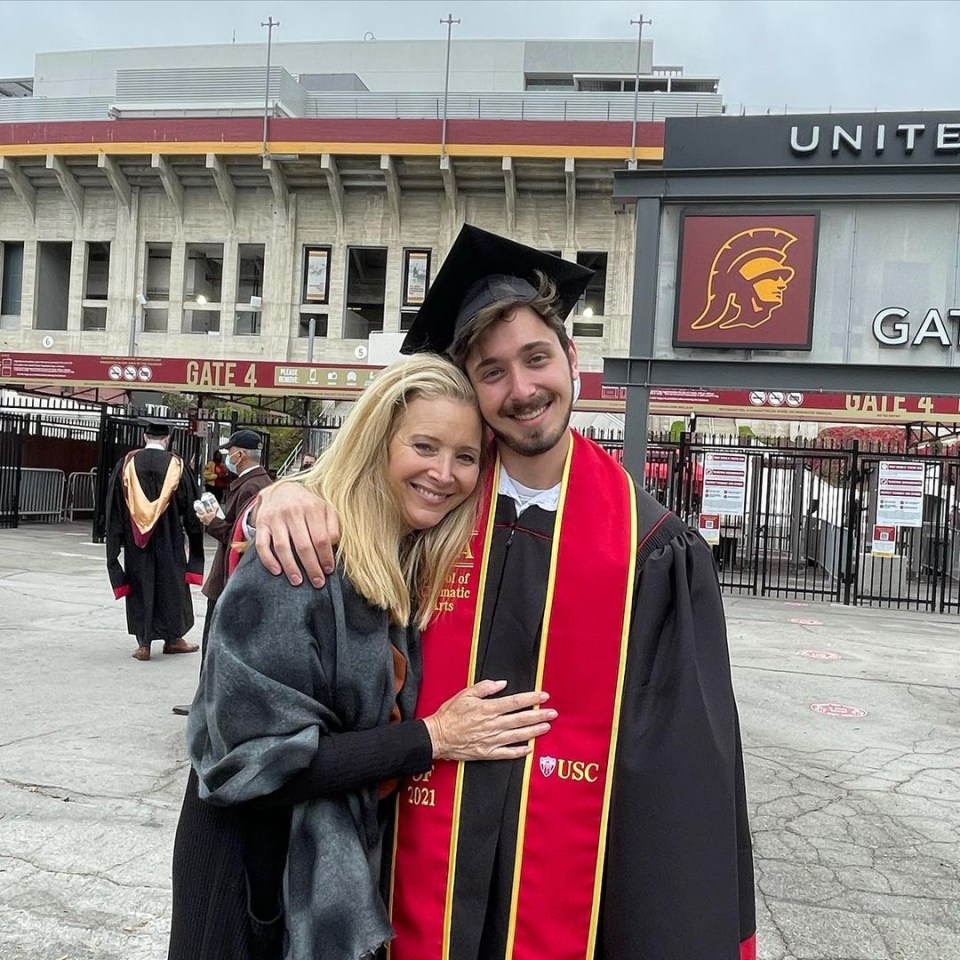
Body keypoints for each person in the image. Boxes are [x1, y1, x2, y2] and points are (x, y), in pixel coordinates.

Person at [253, 225, 757, 960]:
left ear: (572, 358)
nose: (522, 390)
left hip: (573, 911)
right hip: (401, 891)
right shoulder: (429, 507)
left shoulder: (653, 552)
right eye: (492, 371)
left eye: (536, 358)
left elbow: (681, 787)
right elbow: (336, 522)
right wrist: (276, 498)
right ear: (469, 385)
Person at [168, 354, 555, 960]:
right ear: (378, 442)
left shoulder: (399, 562)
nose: (444, 473)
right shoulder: (300, 562)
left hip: (324, 874)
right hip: (254, 884)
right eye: (424, 446)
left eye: (465, 456)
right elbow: (248, 767)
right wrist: (433, 737)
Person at [170, 429, 274, 716]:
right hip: (235, 576)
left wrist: (211, 522)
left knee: (215, 642)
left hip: (231, 575)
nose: (228, 457)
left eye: (230, 453)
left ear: (240, 454)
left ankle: (207, 704)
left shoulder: (252, 487)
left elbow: (238, 535)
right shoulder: (256, 482)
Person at [105, 419, 204, 661]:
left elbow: (114, 507)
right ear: (167, 439)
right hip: (169, 538)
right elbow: (190, 508)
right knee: (171, 584)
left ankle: (144, 643)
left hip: (136, 540)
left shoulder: (126, 465)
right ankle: (173, 639)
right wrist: (195, 539)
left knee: (140, 583)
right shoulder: (177, 466)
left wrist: (114, 540)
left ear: (144, 438)